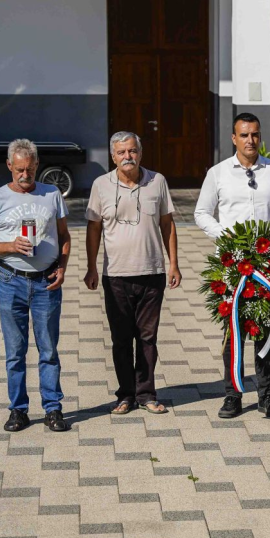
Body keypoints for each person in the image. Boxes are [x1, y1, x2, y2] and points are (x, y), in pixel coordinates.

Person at [195, 113, 270, 419]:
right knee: (234, 330)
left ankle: (267, 395)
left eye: (254, 134)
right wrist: (227, 238)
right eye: (244, 135)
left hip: (268, 264)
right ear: (233, 138)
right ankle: (233, 395)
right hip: (232, 265)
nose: (250, 140)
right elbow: (202, 213)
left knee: (266, 330)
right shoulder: (218, 173)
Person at [0, 139, 72, 432]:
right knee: (16, 351)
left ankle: (53, 409)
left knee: (48, 349)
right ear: (9, 166)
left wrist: (62, 267)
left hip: (46, 280)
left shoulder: (51, 194)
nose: (24, 175)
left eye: (30, 169)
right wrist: (10, 245)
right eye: (19, 169)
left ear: (37, 166)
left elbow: (65, 237)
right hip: (11, 280)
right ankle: (18, 410)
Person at [84, 131, 181, 416]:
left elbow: (168, 224)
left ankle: (147, 393)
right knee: (122, 339)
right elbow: (93, 229)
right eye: (122, 152)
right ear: (113, 156)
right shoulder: (100, 185)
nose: (128, 157)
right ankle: (125, 395)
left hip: (152, 272)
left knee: (148, 338)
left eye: (132, 151)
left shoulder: (157, 181)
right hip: (115, 276)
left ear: (140, 152)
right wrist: (91, 266)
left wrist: (173, 263)